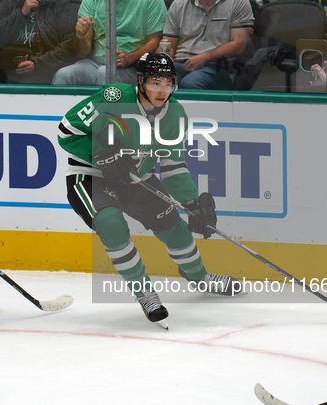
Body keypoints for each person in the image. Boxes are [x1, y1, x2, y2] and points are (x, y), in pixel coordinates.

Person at [57, 53, 242, 328]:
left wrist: (191, 201)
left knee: (174, 228)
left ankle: (200, 277)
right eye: (156, 82)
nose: (162, 90)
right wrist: (101, 154)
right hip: (92, 177)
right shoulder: (114, 97)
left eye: (168, 84)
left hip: (137, 179)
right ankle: (145, 292)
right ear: (141, 81)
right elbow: (66, 131)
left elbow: (172, 165)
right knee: (111, 225)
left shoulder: (175, 113)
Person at [51, 0, 168, 86]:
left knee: (106, 74)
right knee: (64, 75)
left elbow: (155, 41)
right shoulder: (91, 1)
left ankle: (106, 119)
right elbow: (82, 52)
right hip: (94, 64)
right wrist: (81, 34)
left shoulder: (152, 1)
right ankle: (61, 118)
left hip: (135, 67)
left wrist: (128, 58)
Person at [162, 0, 254, 90]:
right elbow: (169, 44)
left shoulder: (238, 2)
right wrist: (162, 64)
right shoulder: (179, 4)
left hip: (219, 67)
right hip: (181, 63)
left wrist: (205, 57)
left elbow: (239, 44)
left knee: (190, 83)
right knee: (156, 78)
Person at [0, 0, 78, 84]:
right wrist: (22, 13)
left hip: (45, 70)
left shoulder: (60, 5)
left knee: (24, 86)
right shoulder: (11, 2)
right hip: (8, 67)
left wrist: (37, 64)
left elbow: (69, 45)